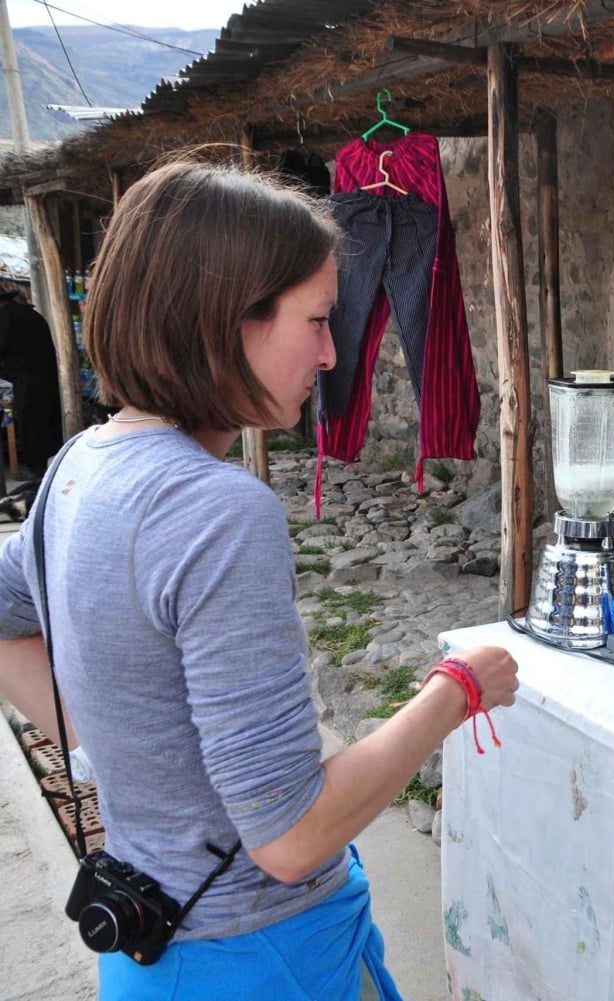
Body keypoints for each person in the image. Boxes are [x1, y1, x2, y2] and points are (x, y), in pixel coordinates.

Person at [0, 160, 519, 1000]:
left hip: (147, 950)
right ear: (223, 323)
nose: (331, 350)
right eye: (316, 320)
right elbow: (292, 834)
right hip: (258, 958)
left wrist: (112, 740)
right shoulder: (216, 511)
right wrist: (456, 689)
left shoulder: (78, 466)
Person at [0, 284, 63, 475]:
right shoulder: (26, 313)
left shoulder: (6, 317)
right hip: (45, 374)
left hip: (29, 377)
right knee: (45, 419)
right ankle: (48, 463)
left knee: (32, 422)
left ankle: (36, 468)